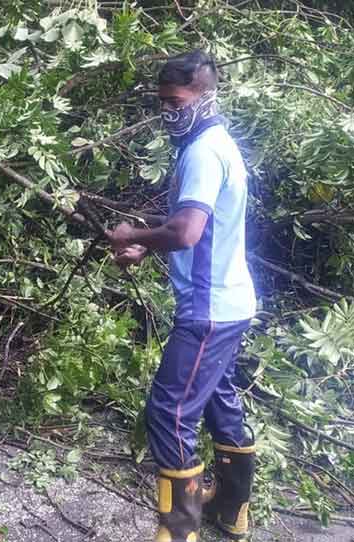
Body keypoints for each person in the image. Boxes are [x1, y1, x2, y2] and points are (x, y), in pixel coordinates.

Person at [106, 50, 257, 542]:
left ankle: (178, 532)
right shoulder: (217, 144)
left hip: (208, 311)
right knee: (219, 402)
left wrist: (134, 232)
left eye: (175, 102)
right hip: (231, 304)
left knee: (168, 414)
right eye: (162, 103)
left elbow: (187, 232)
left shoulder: (202, 152)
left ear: (206, 97)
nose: (168, 112)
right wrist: (146, 249)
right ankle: (231, 512)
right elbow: (199, 236)